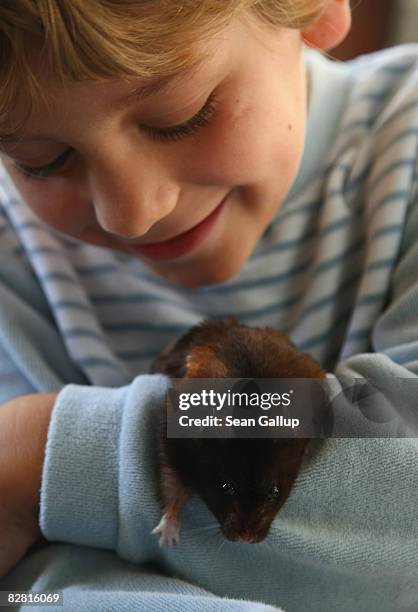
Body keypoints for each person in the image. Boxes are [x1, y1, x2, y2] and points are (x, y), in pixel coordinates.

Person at [0, 0, 417, 610]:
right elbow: (34, 594)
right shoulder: (18, 261)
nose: (132, 212)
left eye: (181, 117)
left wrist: (42, 455)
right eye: (43, 160)